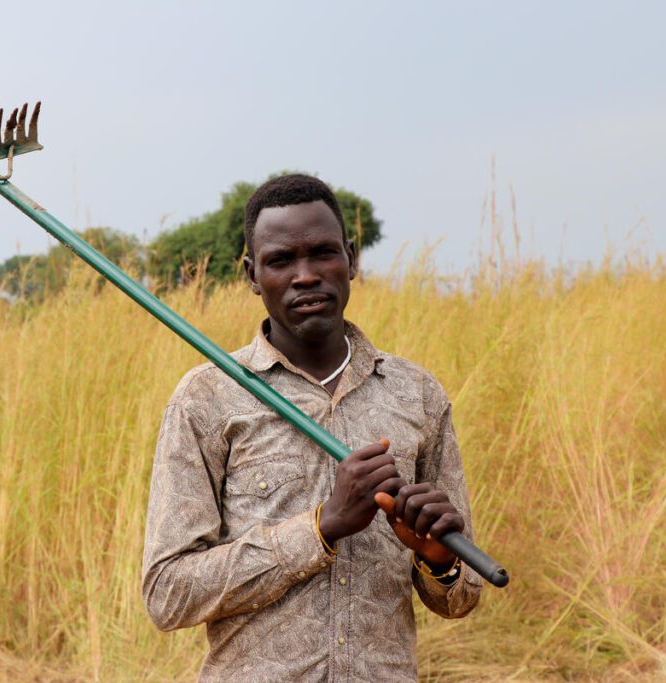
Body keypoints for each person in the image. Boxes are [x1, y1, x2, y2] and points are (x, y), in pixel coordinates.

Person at [141, 174, 482, 681]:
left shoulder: (416, 394)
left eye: (322, 253)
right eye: (281, 260)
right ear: (253, 275)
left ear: (351, 259)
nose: (305, 276)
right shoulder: (207, 397)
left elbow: (462, 597)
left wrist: (438, 560)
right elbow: (168, 594)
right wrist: (321, 527)